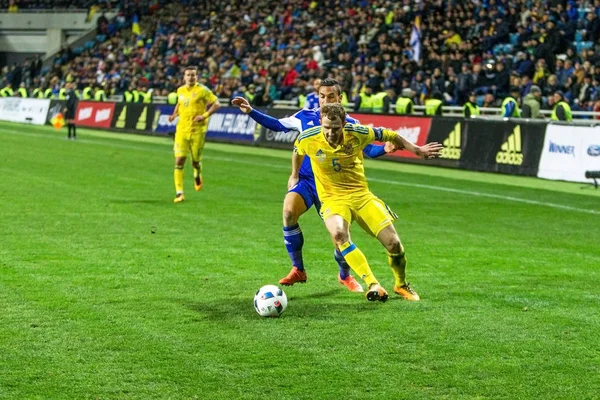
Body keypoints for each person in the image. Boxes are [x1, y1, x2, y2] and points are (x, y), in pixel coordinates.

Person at [231, 78, 395, 293]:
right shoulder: (304, 116)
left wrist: (386, 148)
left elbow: (368, 151)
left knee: (340, 238)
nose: (326, 100)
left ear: (340, 98)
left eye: (331, 96)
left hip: (335, 188)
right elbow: (278, 125)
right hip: (308, 182)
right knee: (289, 212)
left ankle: (344, 275)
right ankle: (298, 269)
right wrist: (251, 111)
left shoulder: (351, 124)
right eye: (322, 96)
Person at [293, 103, 443, 301]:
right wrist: (294, 175)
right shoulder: (308, 137)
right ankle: (372, 283)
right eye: (327, 127)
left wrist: (417, 150)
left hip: (361, 196)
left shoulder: (358, 132)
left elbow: (390, 135)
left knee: (394, 244)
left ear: (344, 124)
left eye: (336, 128)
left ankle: (401, 284)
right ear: (320, 123)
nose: (330, 133)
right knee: (339, 234)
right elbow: (297, 151)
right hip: (332, 199)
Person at [168, 66, 220, 203]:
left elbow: (217, 104)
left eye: (193, 75)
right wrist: (174, 115)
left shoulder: (203, 90)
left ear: (197, 77)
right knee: (179, 160)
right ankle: (179, 193)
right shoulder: (180, 90)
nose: (191, 77)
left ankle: (197, 173)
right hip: (181, 130)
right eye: (188, 75)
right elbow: (180, 104)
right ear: (184, 77)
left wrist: (204, 115)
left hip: (197, 131)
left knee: (195, 161)